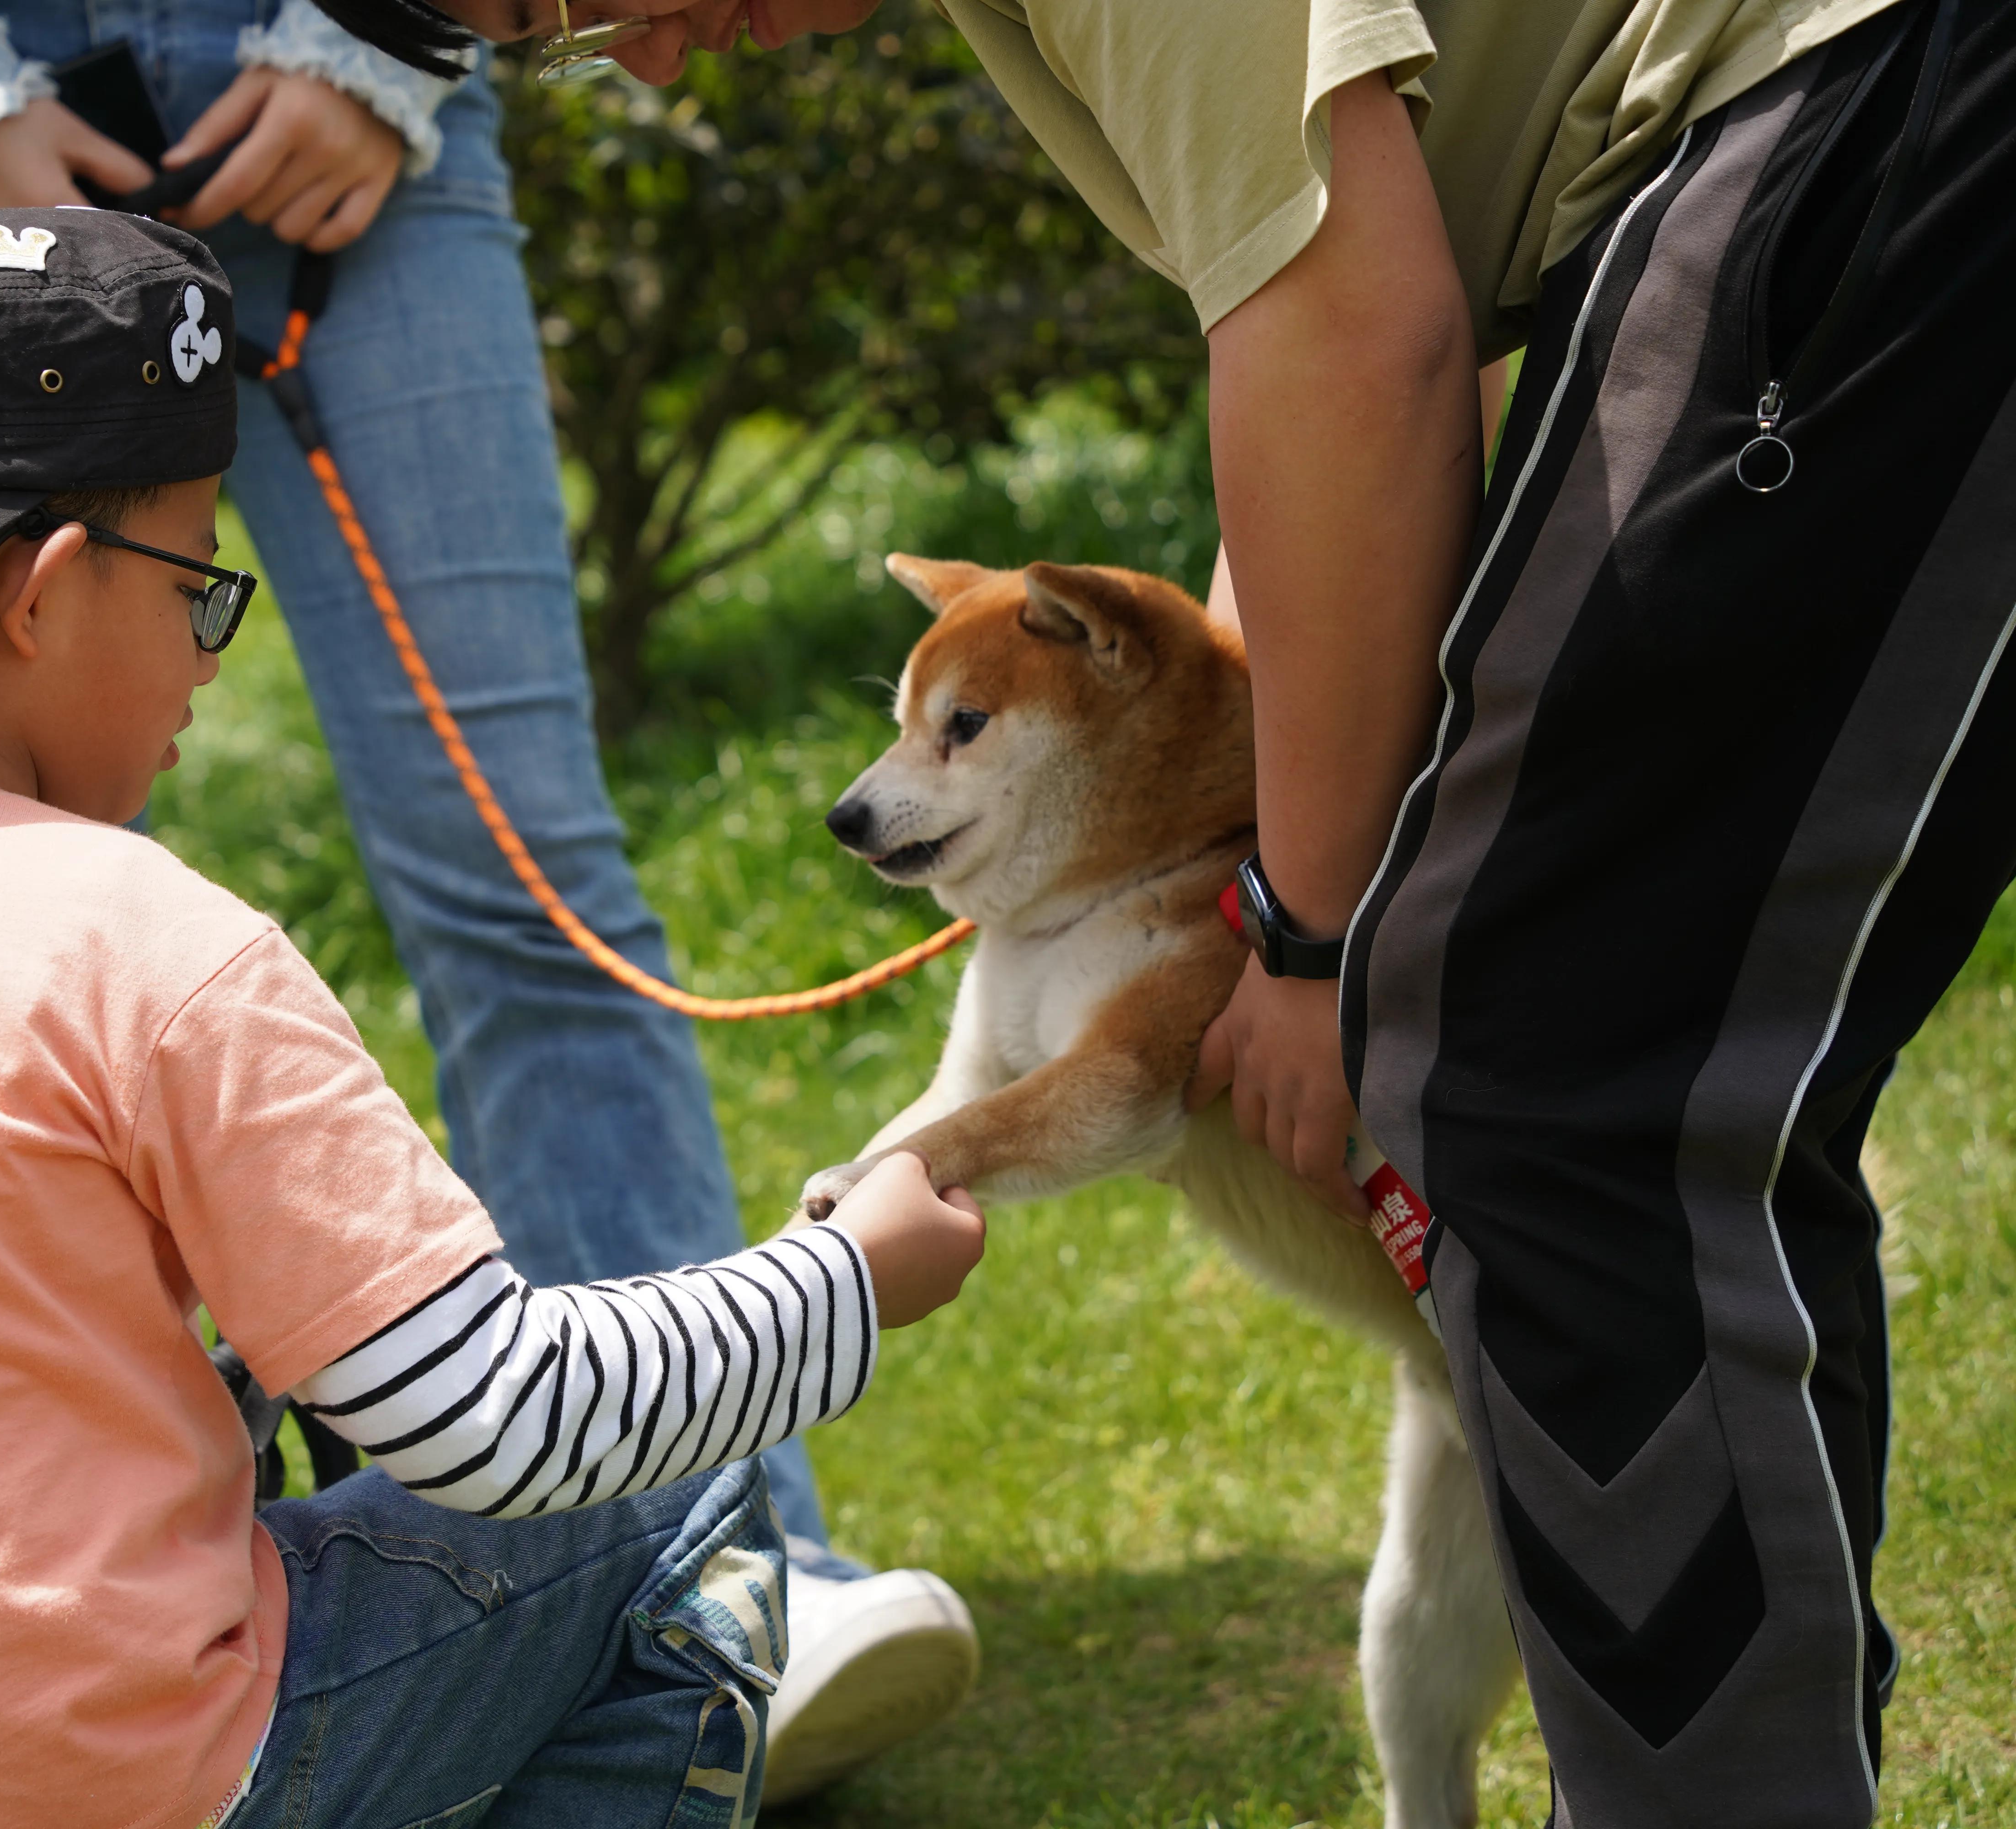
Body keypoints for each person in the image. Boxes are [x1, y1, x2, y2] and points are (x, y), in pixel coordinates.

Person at [582, 0, 2016, 1818]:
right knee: (1579, 1113)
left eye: (572, 6)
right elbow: (1342, 357)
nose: (636, 64)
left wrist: (1316, 929)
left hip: (1861, 109)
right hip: (1770, 142)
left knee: (1564, 1107)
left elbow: (1358, 341)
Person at [0, 207, 989, 1828]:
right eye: (198, 584)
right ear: (44, 595)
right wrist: (850, 1284)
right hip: (140, 1788)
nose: (203, 662)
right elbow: (495, 1422)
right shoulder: (139, 936)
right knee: (683, 1489)